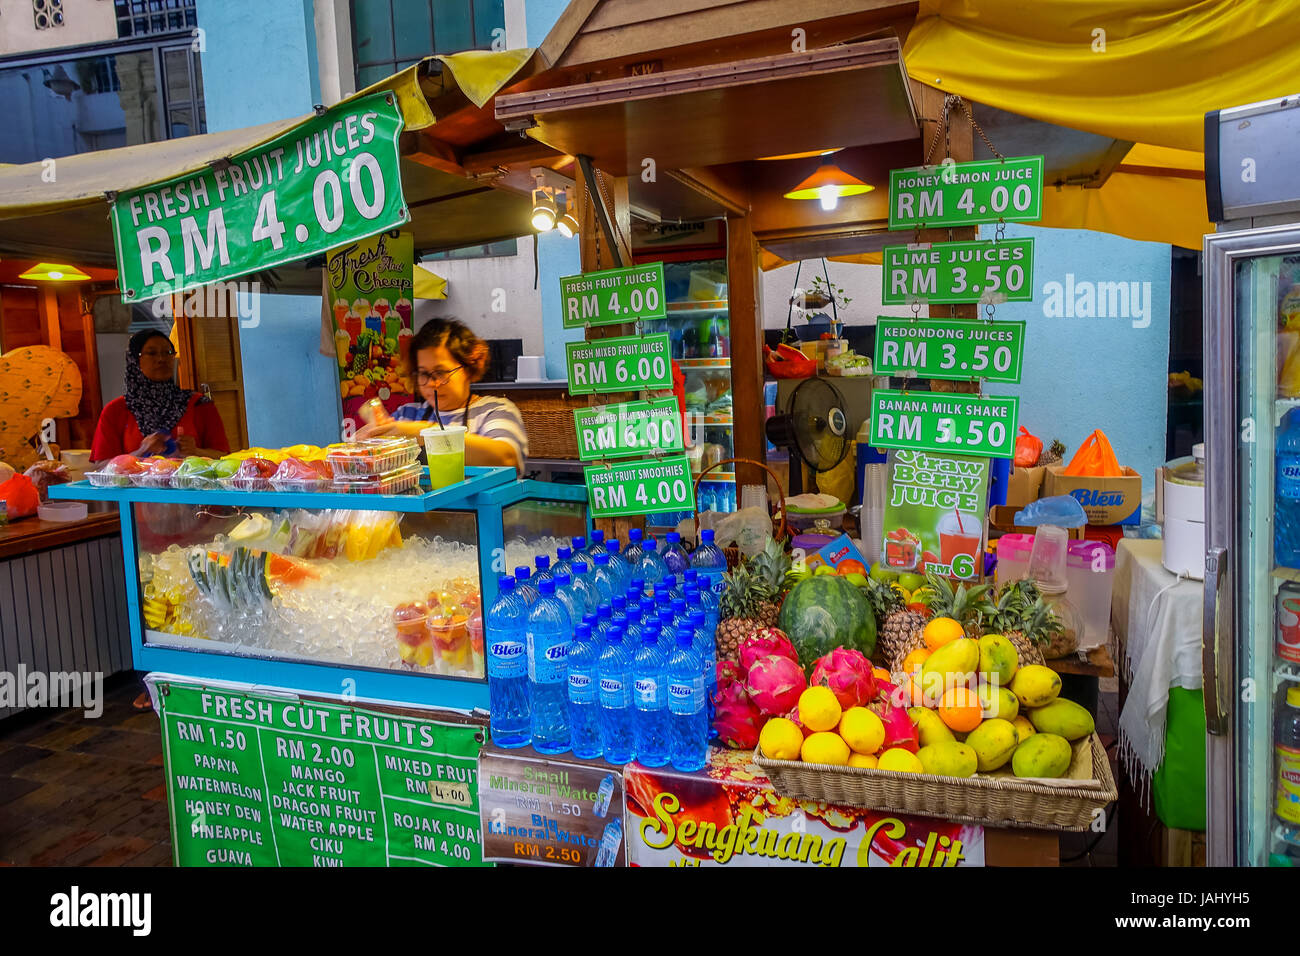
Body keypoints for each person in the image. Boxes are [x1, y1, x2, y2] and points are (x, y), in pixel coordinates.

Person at [356, 317, 528, 474]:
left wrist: (424, 434)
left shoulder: (496, 410)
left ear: (468, 368)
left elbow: (507, 459)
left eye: (441, 373)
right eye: (424, 374)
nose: (432, 383)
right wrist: (366, 446)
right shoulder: (406, 415)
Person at [90, 330, 230, 465]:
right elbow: (102, 466)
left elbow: (225, 458)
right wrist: (141, 451)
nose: (161, 359)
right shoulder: (115, 410)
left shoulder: (199, 405)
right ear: (134, 359)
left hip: (191, 488)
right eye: (152, 353)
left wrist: (196, 452)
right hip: (136, 489)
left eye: (168, 353)